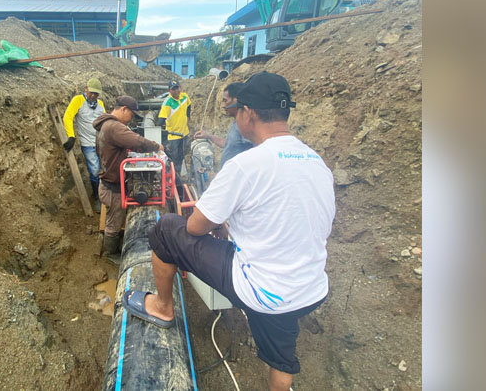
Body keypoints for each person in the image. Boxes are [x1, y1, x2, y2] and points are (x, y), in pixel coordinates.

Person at [122, 72, 335, 391]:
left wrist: (217, 221)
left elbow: (194, 226)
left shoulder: (247, 165)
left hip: (263, 291)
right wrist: (231, 223)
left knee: (167, 229)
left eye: (237, 113)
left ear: (248, 114)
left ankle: (163, 307)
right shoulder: (317, 163)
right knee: (282, 356)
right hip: (309, 290)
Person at [93, 96, 164, 264]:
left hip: (109, 181)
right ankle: (111, 252)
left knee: (116, 217)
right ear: (124, 109)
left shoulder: (106, 125)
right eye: (131, 115)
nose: (131, 119)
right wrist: (156, 146)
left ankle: (116, 244)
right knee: (114, 221)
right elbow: (136, 140)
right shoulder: (114, 127)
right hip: (113, 188)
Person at [63, 77, 106, 211]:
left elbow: (105, 120)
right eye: (91, 93)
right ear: (86, 89)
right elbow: (68, 116)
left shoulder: (100, 104)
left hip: (102, 142)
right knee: (94, 170)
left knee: (105, 170)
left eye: (96, 94)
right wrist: (71, 136)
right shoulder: (78, 100)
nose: (93, 96)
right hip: (88, 143)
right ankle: (97, 197)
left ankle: (106, 194)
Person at [193, 82, 254, 168]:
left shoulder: (246, 127)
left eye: (225, 101)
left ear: (236, 101)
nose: (223, 106)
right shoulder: (236, 124)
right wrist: (208, 136)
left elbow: (256, 153)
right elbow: (228, 144)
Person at [158, 79, 191, 177]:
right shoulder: (167, 102)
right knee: (175, 157)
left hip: (184, 132)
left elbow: (189, 105)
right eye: (173, 89)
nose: (176, 91)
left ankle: (181, 172)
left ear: (180, 88)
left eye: (177, 88)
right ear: (170, 91)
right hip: (173, 135)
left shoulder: (185, 96)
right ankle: (175, 177)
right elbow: (161, 119)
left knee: (183, 154)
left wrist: (188, 117)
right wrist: (159, 133)